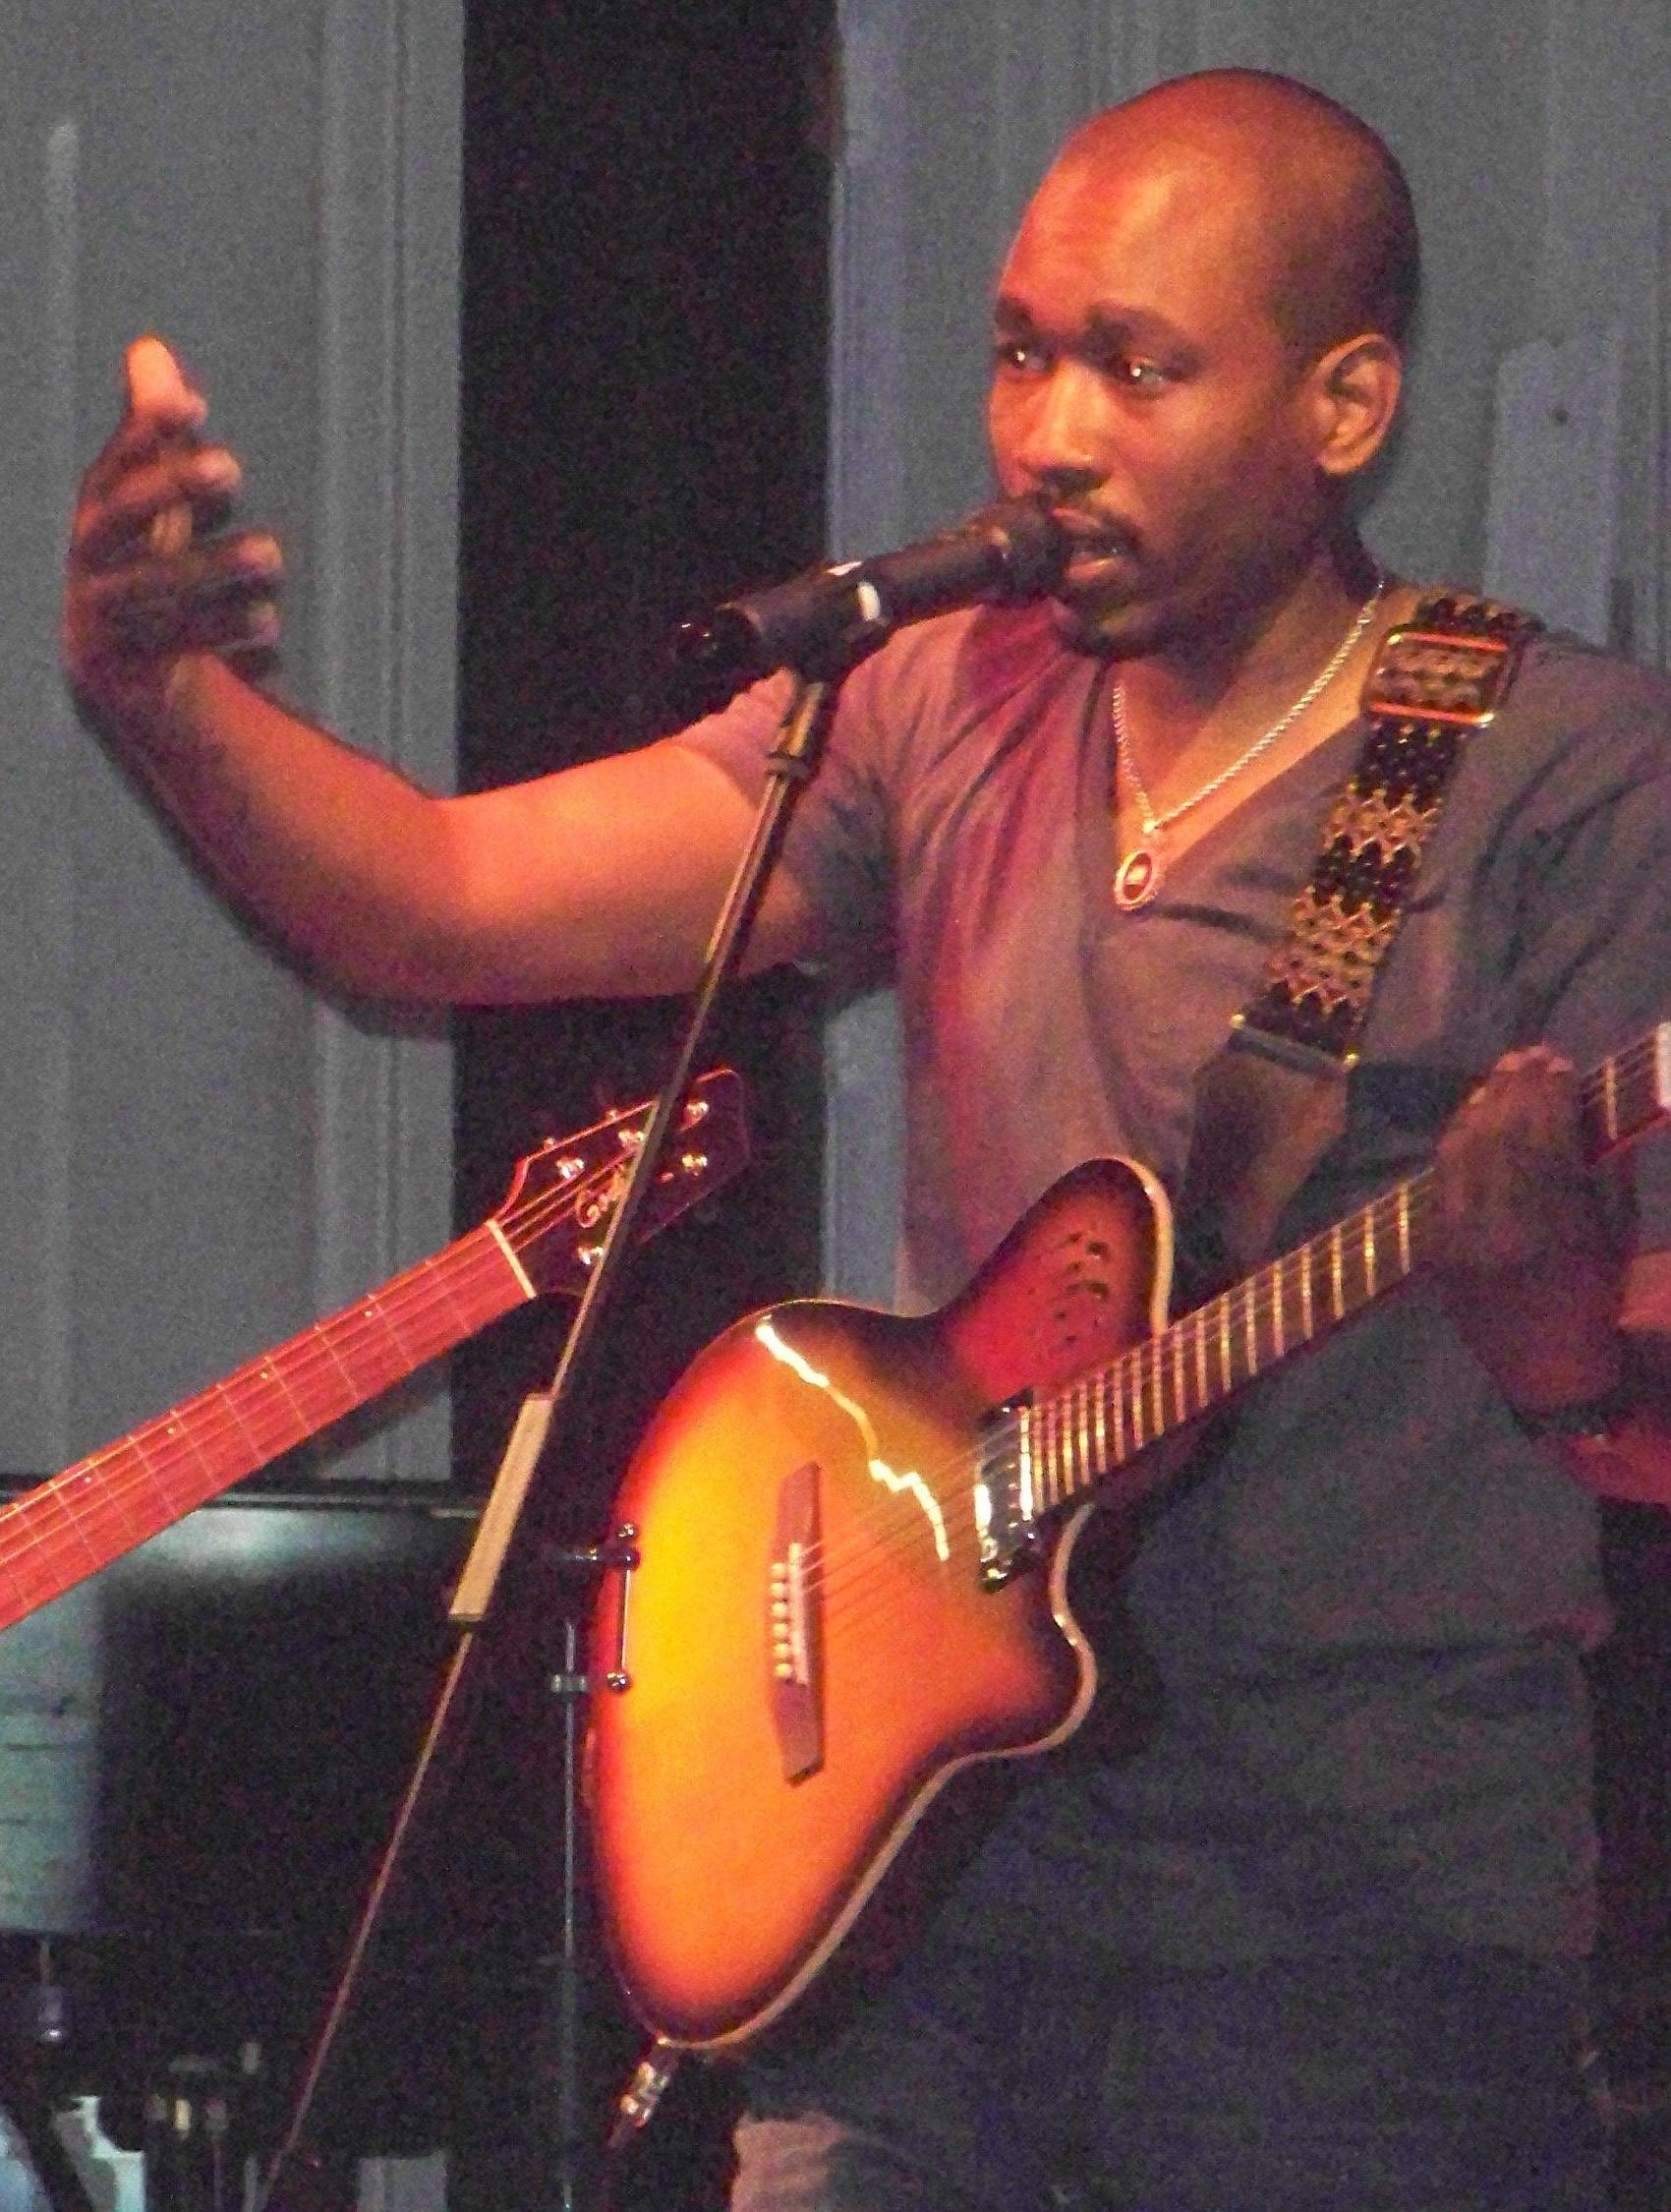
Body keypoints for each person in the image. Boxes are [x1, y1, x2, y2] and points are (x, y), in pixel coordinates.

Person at [63, 64, 1671, 2212]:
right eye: (1020, 351)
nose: (1048, 432)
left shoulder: (1562, 772)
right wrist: (171, 702)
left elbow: (1638, 1430)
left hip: (1354, 1942)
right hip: (925, 1882)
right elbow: (437, 900)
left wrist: (1544, 1310)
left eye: (1137, 367)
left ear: (1344, 404)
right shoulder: (939, 697)